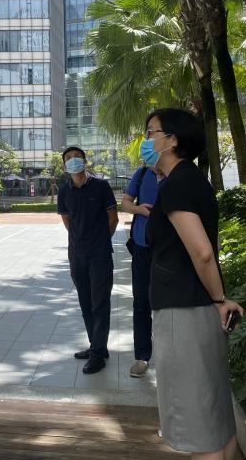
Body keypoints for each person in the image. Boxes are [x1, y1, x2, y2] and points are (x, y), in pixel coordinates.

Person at [143, 108, 244, 460]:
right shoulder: (192, 179)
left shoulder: (178, 185)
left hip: (182, 312)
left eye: (151, 132)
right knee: (215, 416)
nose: (146, 140)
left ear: (172, 140)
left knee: (197, 427)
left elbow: (202, 252)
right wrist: (217, 300)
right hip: (197, 308)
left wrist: (219, 300)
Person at [57, 146, 119, 374]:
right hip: (77, 254)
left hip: (100, 254)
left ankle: (97, 354)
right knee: (85, 302)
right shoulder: (64, 191)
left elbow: (113, 218)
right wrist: (80, 242)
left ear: (85, 161)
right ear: (64, 165)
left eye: (77, 157)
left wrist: (100, 241)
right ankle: (97, 346)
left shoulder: (101, 187)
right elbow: (67, 221)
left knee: (100, 303)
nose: (73, 160)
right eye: (69, 158)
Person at [121, 164, 160, 378]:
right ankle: (142, 357)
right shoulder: (143, 173)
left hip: (169, 252)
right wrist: (139, 209)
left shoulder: (178, 173)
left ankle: (169, 356)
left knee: (167, 306)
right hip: (141, 249)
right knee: (141, 303)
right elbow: (125, 202)